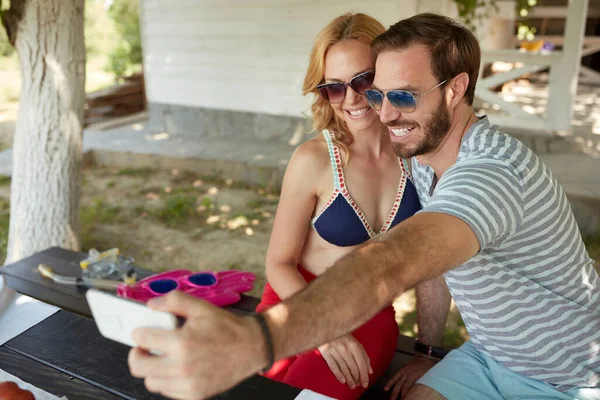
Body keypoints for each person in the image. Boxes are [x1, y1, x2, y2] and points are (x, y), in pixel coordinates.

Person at [127, 13, 600, 400]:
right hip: (487, 357)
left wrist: (256, 340)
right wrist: (427, 352)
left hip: (568, 377)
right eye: (378, 93)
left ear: (455, 89)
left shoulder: (489, 174)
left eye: (400, 94)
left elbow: (398, 262)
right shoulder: (419, 156)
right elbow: (288, 260)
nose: (382, 110)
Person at [254, 12, 421, 400]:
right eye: (333, 87)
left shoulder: (417, 158)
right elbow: (278, 263)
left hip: (367, 313)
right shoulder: (313, 160)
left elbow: (436, 266)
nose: (351, 99)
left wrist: (427, 352)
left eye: (363, 80)